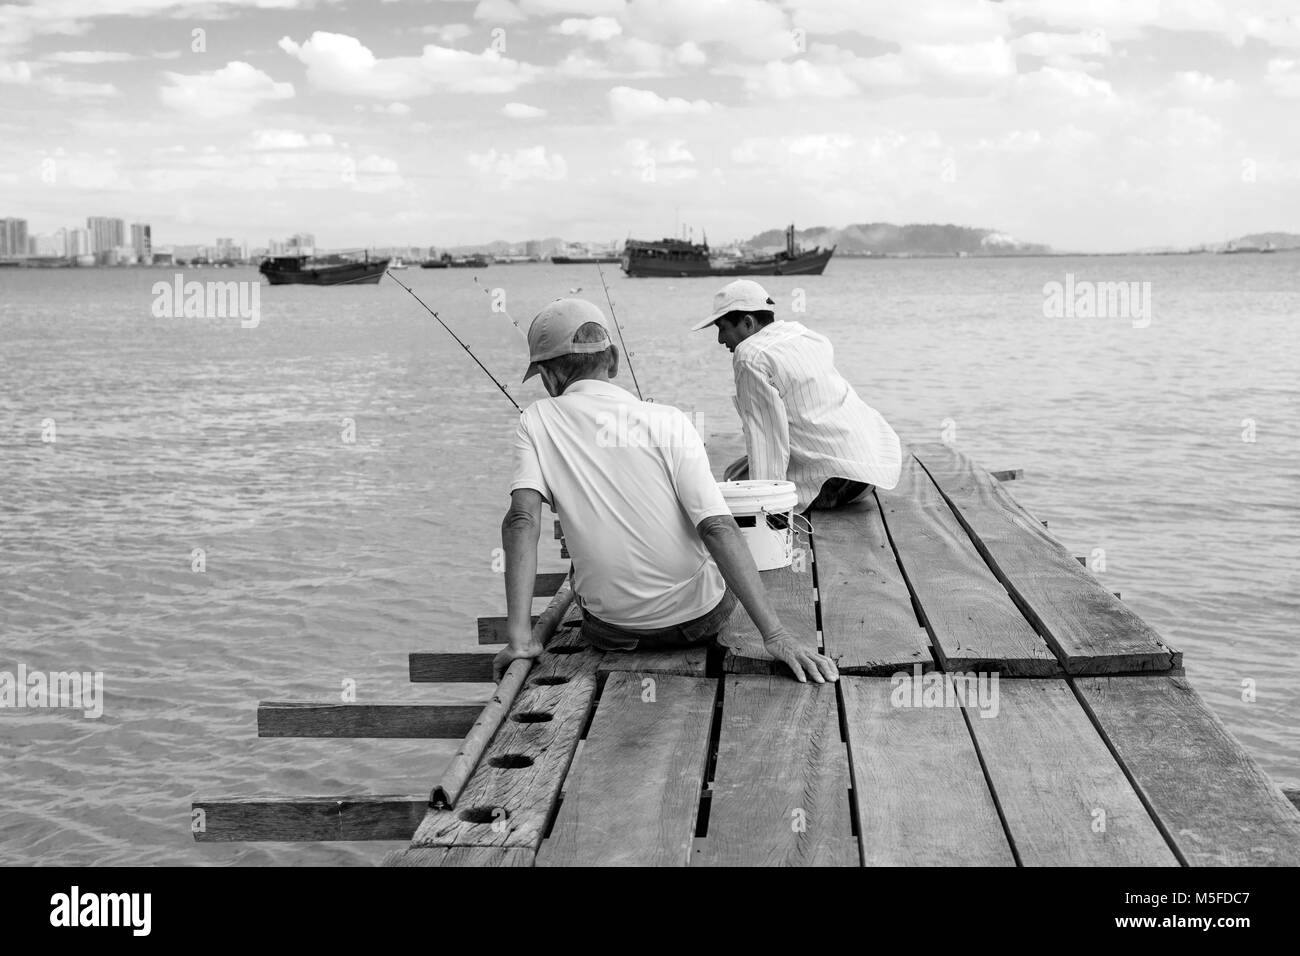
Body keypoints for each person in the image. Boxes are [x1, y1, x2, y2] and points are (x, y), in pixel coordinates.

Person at [493, 298, 838, 685]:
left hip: (612, 631)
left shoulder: (535, 421)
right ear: (614, 361)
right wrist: (775, 636)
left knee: (579, 569)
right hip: (698, 621)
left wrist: (520, 639)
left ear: (547, 376)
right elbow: (717, 528)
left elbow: (521, 520)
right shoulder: (670, 420)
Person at [693, 279, 902, 511]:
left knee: (734, 482)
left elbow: (766, 437)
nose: (720, 339)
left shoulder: (749, 355)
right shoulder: (805, 335)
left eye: (722, 328)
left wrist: (766, 507)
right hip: (870, 472)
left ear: (748, 322)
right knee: (738, 472)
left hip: (832, 484)